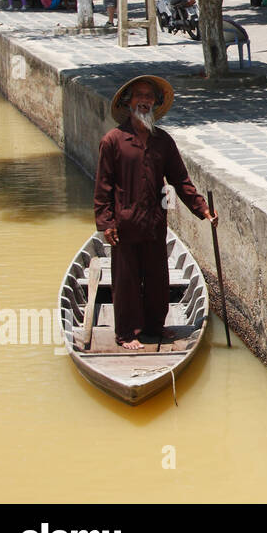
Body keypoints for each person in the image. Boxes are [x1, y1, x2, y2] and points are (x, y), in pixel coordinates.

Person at [93, 76, 217, 350]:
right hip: (124, 225)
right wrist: (106, 223)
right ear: (128, 102)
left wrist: (202, 207)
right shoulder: (113, 141)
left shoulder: (163, 142)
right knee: (126, 281)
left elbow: (180, 180)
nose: (144, 101)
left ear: (155, 103)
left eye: (149, 97)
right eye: (139, 95)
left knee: (157, 278)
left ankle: (154, 327)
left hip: (154, 223)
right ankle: (127, 333)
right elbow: (103, 186)